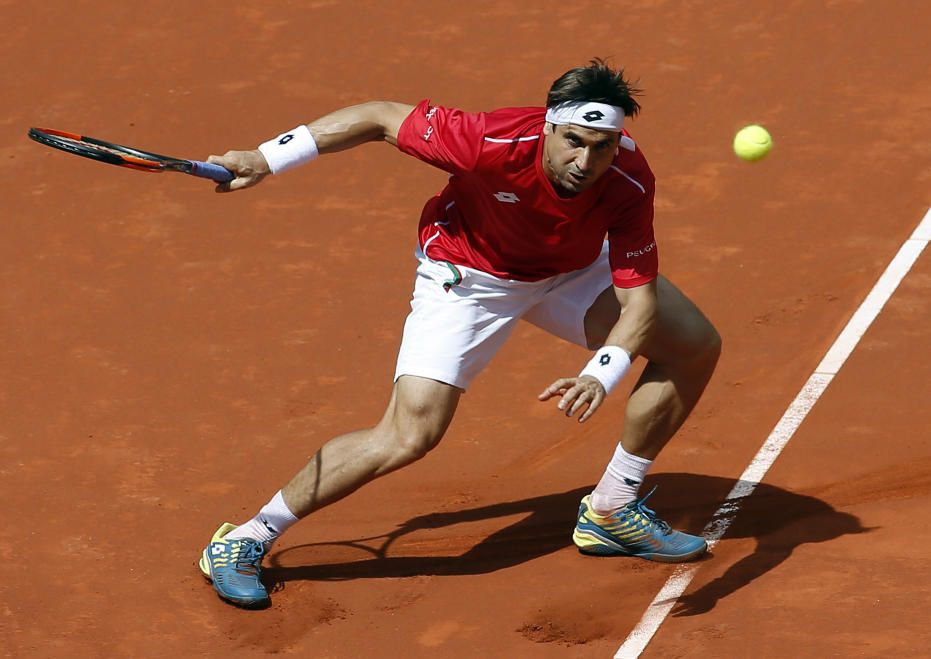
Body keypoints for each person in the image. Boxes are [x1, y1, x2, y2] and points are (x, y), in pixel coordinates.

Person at [198, 58, 721, 608]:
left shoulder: (628, 179)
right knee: (409, 434)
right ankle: (245, 539)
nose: (585, 161)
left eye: (602, 146)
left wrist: (601, 373)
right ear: (548, 126)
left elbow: (639, 301)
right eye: (572, 141)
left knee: (694, 347)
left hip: (570, 270)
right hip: (470, 277)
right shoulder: (488, 141)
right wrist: (266, 157)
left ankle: (612, 509)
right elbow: (378, 117)